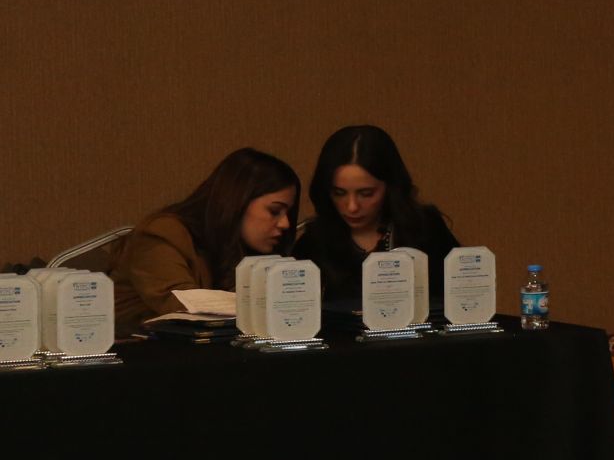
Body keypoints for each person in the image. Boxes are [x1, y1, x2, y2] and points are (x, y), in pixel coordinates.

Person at [107, 148, 301, 329]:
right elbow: (184, 305)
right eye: (274, 211)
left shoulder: (246, 249)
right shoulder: (163, 233)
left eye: (288, 214)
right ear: (237, 202)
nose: (285, 223)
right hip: (135, 348)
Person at [294, 125, 460, 315]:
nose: (352, 206)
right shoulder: (314, 242)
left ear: (390, 187)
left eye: (366, 193)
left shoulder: (424, 229)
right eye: (339, 193)